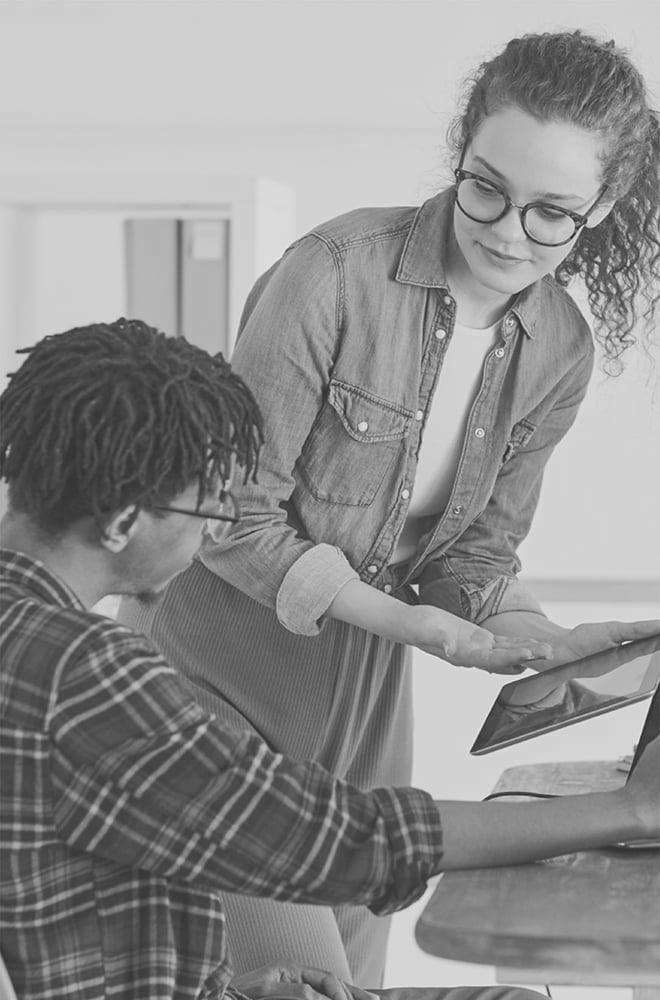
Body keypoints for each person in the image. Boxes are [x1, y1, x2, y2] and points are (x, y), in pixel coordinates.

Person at [118, 30, 660, 985]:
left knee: (358, 980)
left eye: (550, 214)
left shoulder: (559, 349)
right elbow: (232, 515)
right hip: (209, 680)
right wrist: (415, 624)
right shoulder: (332, 274)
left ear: (603, 208)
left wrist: (539, 638)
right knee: (307, 984)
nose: (506, 232)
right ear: (461, 153)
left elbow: (474, 558)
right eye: (485, 187)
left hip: (362, 704)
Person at [6, 322, 650, 1000]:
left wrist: (234, 990)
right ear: (121, 523)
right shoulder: (83, 675)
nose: (218, 529)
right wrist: (630, 811)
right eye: (210, 506)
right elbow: (337, 841)